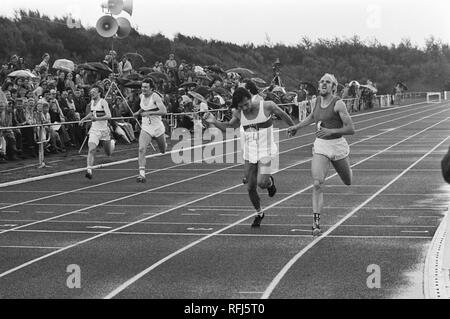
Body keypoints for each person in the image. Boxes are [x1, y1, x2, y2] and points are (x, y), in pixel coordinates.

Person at [204, 87, 295, 227]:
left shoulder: (267, 106)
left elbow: (283, 114)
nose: (245, 108)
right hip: (250, 151)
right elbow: (229, 127)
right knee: (250, 187)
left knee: (261, 183)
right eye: (241, 106)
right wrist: (214, 121)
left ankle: (269, 182)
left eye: (246, 104)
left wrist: (293, 127)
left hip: (266, 151)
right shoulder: (239, 113)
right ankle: (259, 213)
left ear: (250, 98)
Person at [288, 73, 355, 236]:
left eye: (328, 82)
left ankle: (345, 166)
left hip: (337, 145)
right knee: (317, 183)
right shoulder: (316, 100)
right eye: (322, 81)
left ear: (334, 87)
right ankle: (316, 222)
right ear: (318, 86)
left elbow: (351, 129)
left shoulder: (338, 104)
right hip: (321, 146)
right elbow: (312, 116)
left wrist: (331, 131)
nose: (324, 84)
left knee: (348, 181)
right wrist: (297, 126)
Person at [133, 78, 168, 183]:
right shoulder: (141, 96)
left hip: (157, 127)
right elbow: (143, 108)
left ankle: (164, 144)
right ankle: (142, 174)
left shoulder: (155, 97)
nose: (143, 89)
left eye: (146, 87)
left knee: (162, 150)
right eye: (142, 87)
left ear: (151, 88)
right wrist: (138, 112)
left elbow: (164, 111)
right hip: (146, 127)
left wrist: (150, 113)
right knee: (141, 149)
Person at [79, 85, 115, 180]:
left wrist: (97, 118)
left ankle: (112, 143)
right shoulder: (91, 102)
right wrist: (83, 119)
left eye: (94, 91)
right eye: (91, 91)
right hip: (94, 130)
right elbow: (91, 113)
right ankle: (89, 170)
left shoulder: (103, 102)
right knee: (91, 149)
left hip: (104, 131)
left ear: (99, 93)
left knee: (108, 153)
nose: (92, 93)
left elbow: (109, 116)